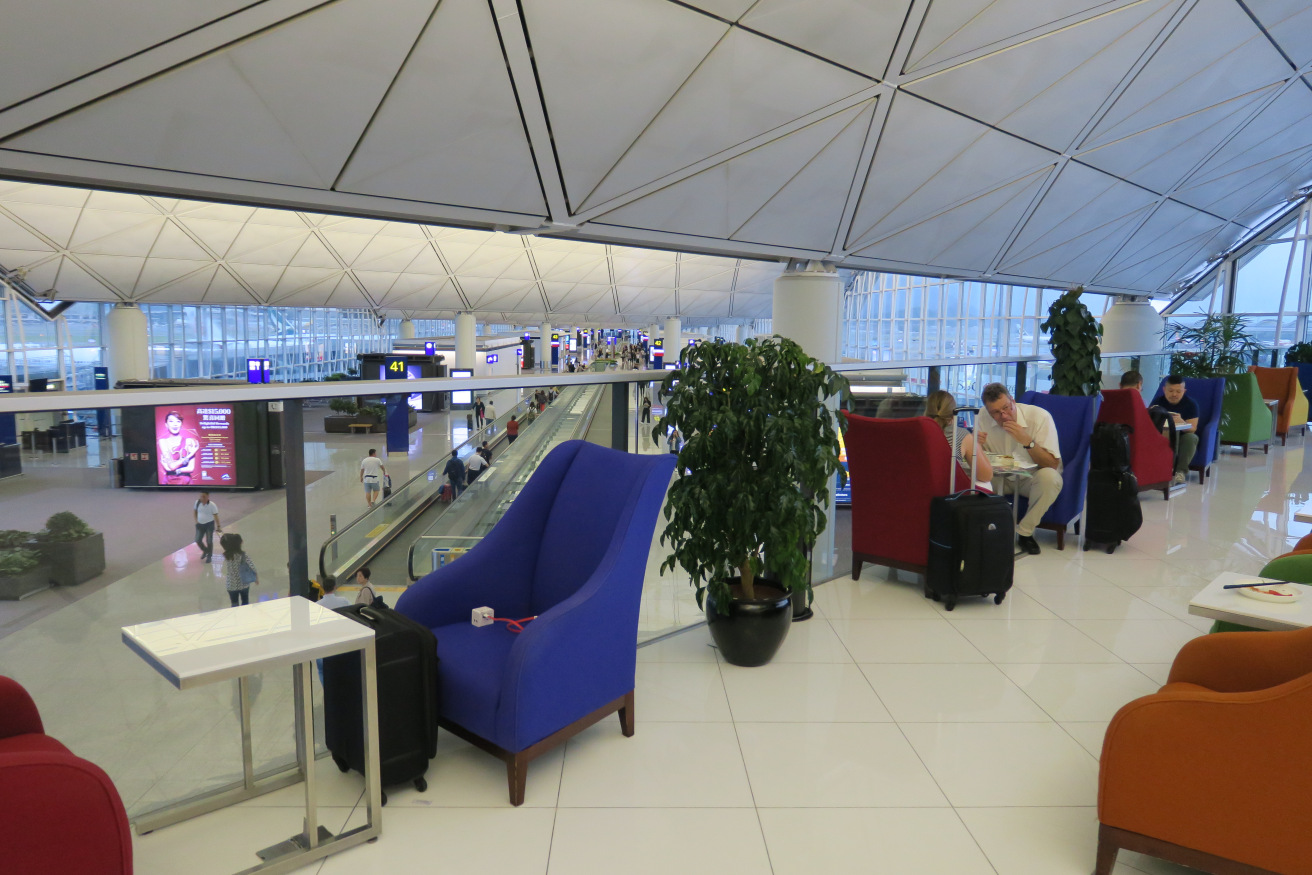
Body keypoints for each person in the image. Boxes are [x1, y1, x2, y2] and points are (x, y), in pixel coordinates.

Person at [975, 382, 1064, 555]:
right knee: (968, 475)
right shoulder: (982, 417)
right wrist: (975, 444)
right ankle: (986, 529)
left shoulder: (1039, 417)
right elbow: (978, 458)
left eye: (1007, 408)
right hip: (998, 475)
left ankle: (1025, 532)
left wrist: (1028, 442)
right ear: (988, 411)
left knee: (1051, 479)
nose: (1004, 416)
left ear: (1013, 401)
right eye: (996, 413)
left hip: (1030, 477)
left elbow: (1052, 464)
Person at [924, 390, 992, 485]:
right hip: (945, 495)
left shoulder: (915, 434)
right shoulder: (961, 435)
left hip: (915, 494)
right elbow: (986, 475)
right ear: (953, 414)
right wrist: (975, 443)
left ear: (926, 411)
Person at [1149, 374, 1201, 486]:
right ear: (1164, 389)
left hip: (1182, 436)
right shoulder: (1157, 403)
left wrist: (1182, 422)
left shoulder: (1191, 404)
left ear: (1184, 391)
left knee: (1191, 438)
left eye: (1178, 391)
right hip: (1162, 435)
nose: (1174, 394)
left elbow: (1193, 428)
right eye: (1171, 390)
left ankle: (1180, 472)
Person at [158, 410, 199, 484]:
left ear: (181, 424)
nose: (175, 424)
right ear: (166, 425)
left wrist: (174, 470)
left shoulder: (189, 441)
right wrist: (191, 454)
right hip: (168, 481)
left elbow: (191, 468)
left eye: (178, 421)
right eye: (171, 421)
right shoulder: (163, 441)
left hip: (186, 481)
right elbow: (171, 466)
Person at [219, 532, 257, 607]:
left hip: (231, 585)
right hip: (244, 584)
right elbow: (252, 567)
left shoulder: (226, 557)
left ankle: (235, 616)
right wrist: (255, 577)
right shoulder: (243, 555)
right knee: (245, 602)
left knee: (234, 604)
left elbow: (223, 571)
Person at [193, 492, 221, 563]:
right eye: (201, 496)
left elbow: (216, 516)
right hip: (200, 525)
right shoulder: (197, 502)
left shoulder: (212, 505)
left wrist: (218, 526)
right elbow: (195, 511)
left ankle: (209, 556)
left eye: (204, 496)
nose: (202, 498)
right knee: (198, 540)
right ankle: (206, 551)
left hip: (209, 525)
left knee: (209, 541)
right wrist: (196, 521)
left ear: (208, 497)